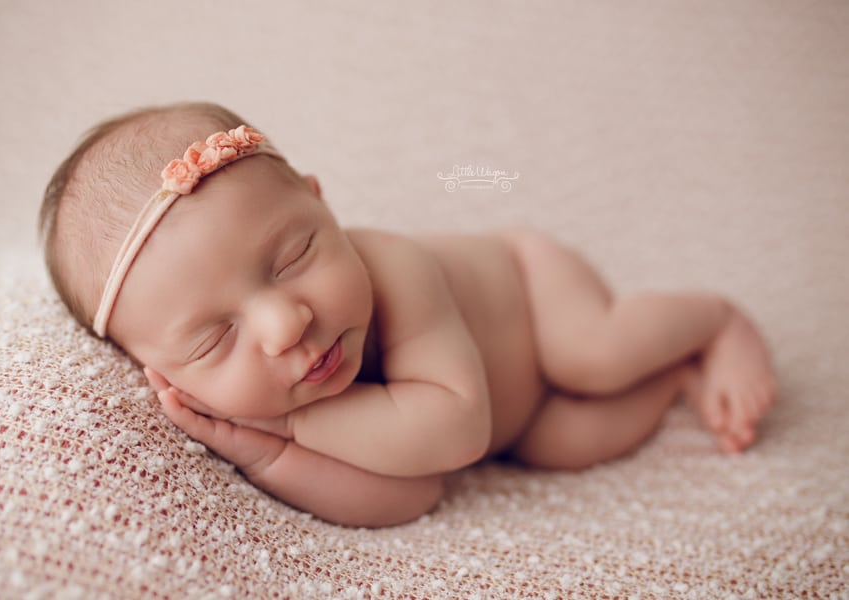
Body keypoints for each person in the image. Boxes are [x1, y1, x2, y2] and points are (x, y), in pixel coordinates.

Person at [39, 102, 776, 527]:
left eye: (293, 255)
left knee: (592, 353)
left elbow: (456, 429)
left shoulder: (392, 267)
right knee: (561, 443)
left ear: (322, 202)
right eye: (215, 337)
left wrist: (291, 426)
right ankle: (679, 375)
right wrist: (267, 455)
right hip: (514, 424)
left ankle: (714, 319)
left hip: (534, 290)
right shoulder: (283, 391)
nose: (283, 325)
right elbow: (414, 490)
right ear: (157, 372)